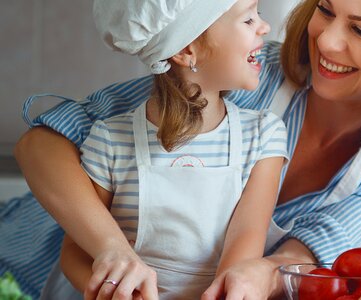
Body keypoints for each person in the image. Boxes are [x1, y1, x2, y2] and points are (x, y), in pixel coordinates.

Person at [9, 0, 361, 298]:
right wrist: (111, 250)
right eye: (326, 10)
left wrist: (262, 273)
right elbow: (43, 143)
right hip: (59, 263)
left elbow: (304, 252)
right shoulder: (243, 71)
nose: (328, 41)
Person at [36, 0, 289, 299]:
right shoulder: (110, 139)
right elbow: (75, 252)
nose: (264, 26)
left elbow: (245, 245)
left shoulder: (263, 136)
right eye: (247, 20)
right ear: (186, 51)